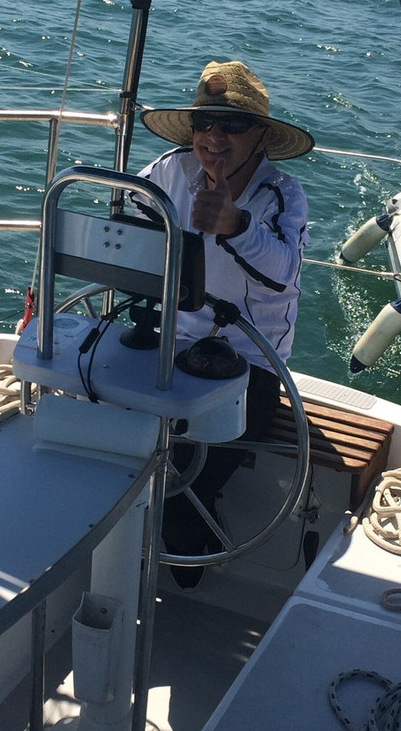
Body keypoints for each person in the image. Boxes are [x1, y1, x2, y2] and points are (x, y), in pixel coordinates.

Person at [136, 60, 313, 587]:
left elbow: (282, 274)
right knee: (101, 426)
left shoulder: (281, 194)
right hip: (171, 340)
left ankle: (187, 560)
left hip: (249, 365)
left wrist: (236, 225)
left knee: (182, 489)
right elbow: (129, 221)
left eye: (234, 124)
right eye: (204, 122)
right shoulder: (167, 171)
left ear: (262, 136)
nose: (215, 136)